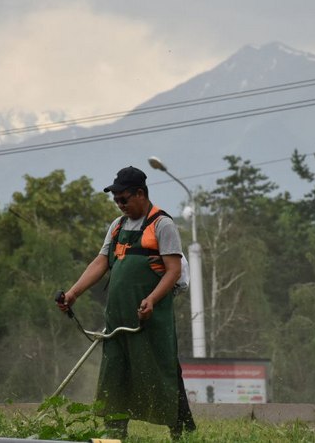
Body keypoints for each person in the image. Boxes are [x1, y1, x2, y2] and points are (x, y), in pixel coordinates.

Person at [57, 166, 196, 440]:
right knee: (115, 375)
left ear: (140, 194)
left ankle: (180, 433)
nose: (120, 205)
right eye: (116, 200)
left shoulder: (162, 225)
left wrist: (152, 300)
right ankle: (112, 437)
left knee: (161, 371)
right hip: (118, 318)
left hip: (151, 319)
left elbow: (173, 271)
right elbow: (101, 262)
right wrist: (73, 293)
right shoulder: (118, 226)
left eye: (124, 199)